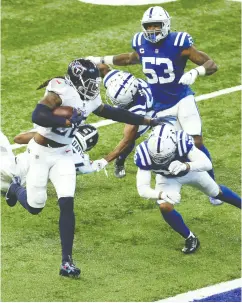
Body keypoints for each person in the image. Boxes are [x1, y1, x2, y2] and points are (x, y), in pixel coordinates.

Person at [5, 58, 165, 278]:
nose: (93, 86)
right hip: (40, 153)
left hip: (63, 154)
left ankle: (66, 262)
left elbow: (113, 113)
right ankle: (15, 190)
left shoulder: (89, 97)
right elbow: (38, 115)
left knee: (67, 204)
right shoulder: (60, 89)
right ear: (77, 78)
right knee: (35, 206)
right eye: (89, 81)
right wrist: (67, 122)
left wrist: (146, 120)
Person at [86, 6, 221, 205]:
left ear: (165, 25)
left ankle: (212, 184)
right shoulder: (141, 42)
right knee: (166, 145)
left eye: (156, 25)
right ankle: (169, 178)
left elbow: (211, 64)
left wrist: (196, 72)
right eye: (148, 26)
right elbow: (131, 58)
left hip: (182, 98)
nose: (152, 30)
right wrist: (101, 59)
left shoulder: (179, 43)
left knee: (196, 143)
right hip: (158, 104)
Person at [133, 124, 241, 253]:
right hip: (167, 178)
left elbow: (206, 164)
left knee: (217, 192)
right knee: (164, 206)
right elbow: (142, 189)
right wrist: (161, 195)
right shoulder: (144, 152)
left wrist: (186, 166)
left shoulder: (181, 141)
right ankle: (190, 237)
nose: (161, 160)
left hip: (191, 171)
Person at [92, 66, 176, 178]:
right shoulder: (119, 80)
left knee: (131, 137)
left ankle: (120, 162)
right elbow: (102, 67)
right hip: (146, 95)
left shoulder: (138, 110)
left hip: (151, 112)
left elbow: (126, 141)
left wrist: (105, 160)